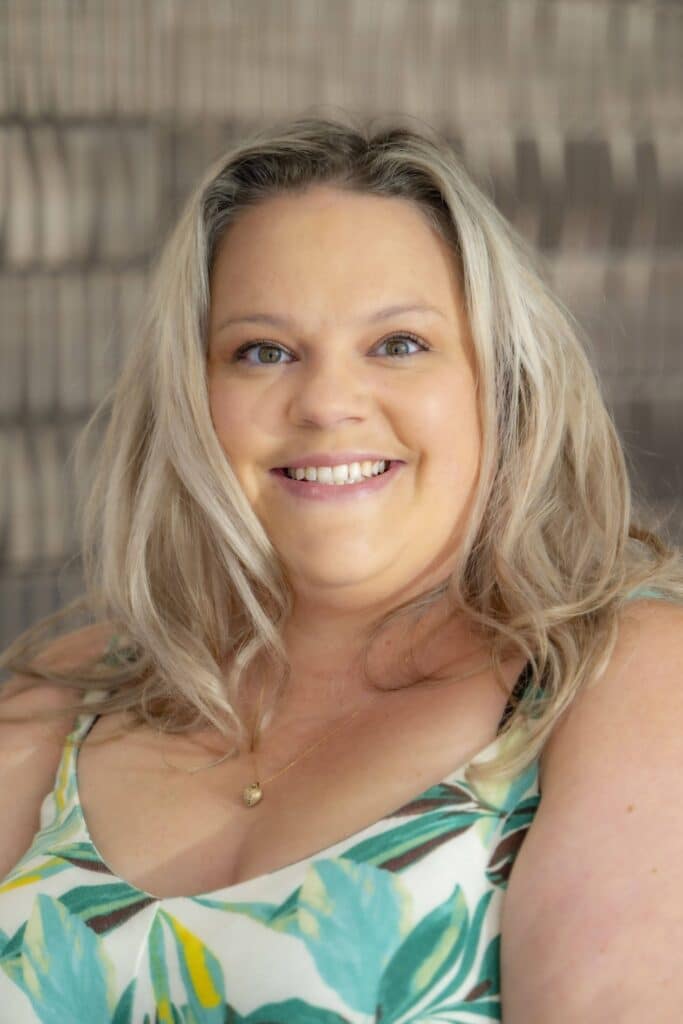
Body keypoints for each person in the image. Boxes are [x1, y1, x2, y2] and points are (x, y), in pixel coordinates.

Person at [0, 114, 681, 1024]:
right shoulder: (64, 696)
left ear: (502, 383)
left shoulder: (620, 673)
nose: (325, 403)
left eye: (398, 343)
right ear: (194, 399)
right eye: (263, 351)